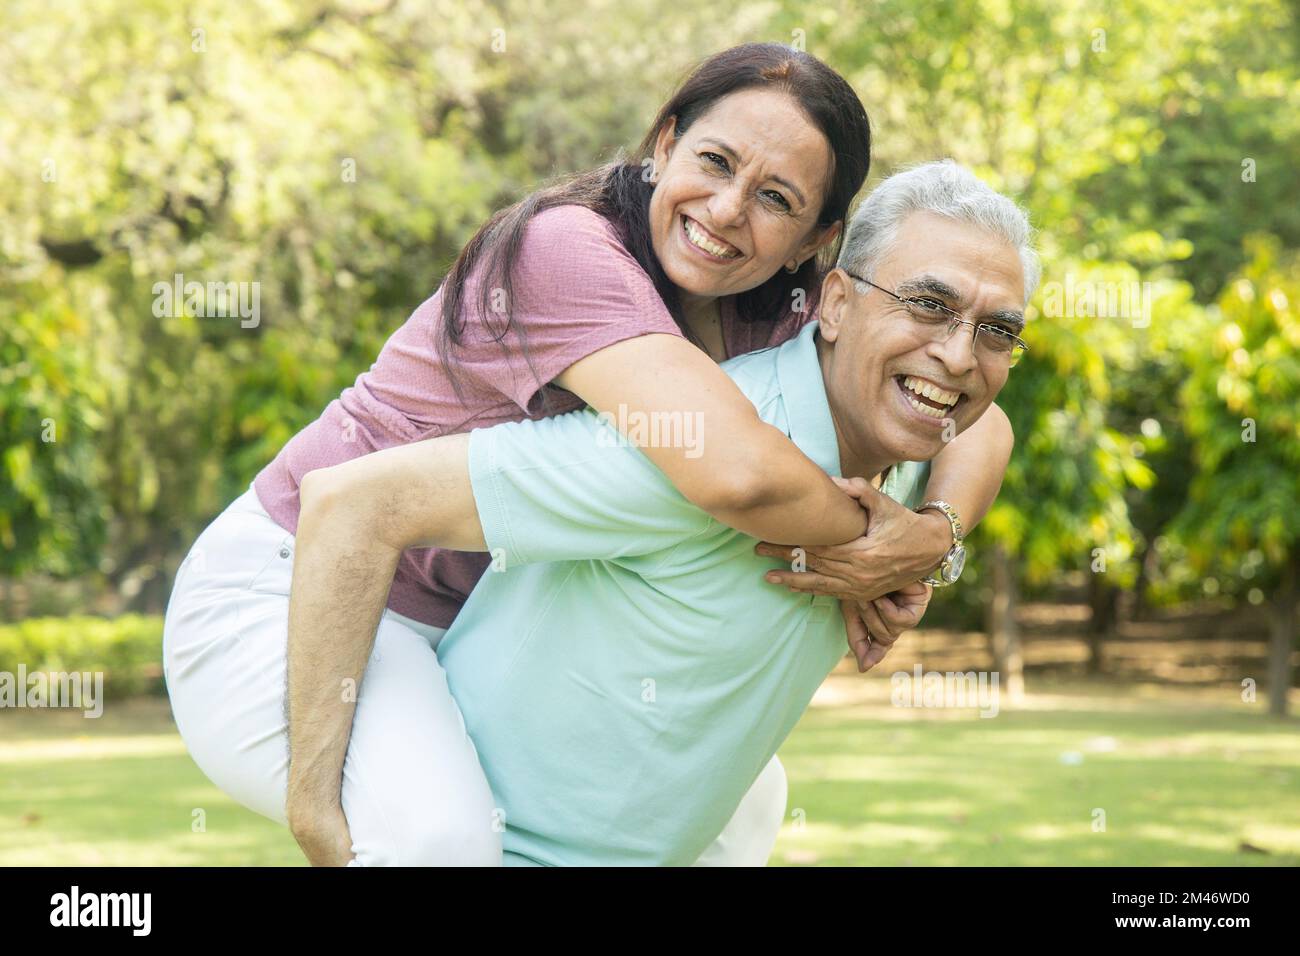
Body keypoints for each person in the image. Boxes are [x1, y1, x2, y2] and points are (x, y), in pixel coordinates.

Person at [162, 43, 1013, 866]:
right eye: (714, 162)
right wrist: (871, 548)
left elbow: (977, 415)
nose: (726, 211)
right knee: (437, 842)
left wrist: (933, 535)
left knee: (737, 807)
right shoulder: (565, 250)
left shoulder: (773, 304)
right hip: (298, 586)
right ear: (663, 143)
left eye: (776, 198)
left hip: (452, 627)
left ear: (813, 243)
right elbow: (736, 472)